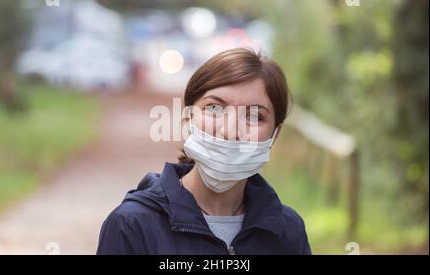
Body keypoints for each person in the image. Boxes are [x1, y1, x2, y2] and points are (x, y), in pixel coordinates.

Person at [97, 47, 311, 255]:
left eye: (254, 116)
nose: (229, 130)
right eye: (214, 108)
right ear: (189, 117)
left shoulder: (288, 232)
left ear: (275, 133)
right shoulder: (132, 226)